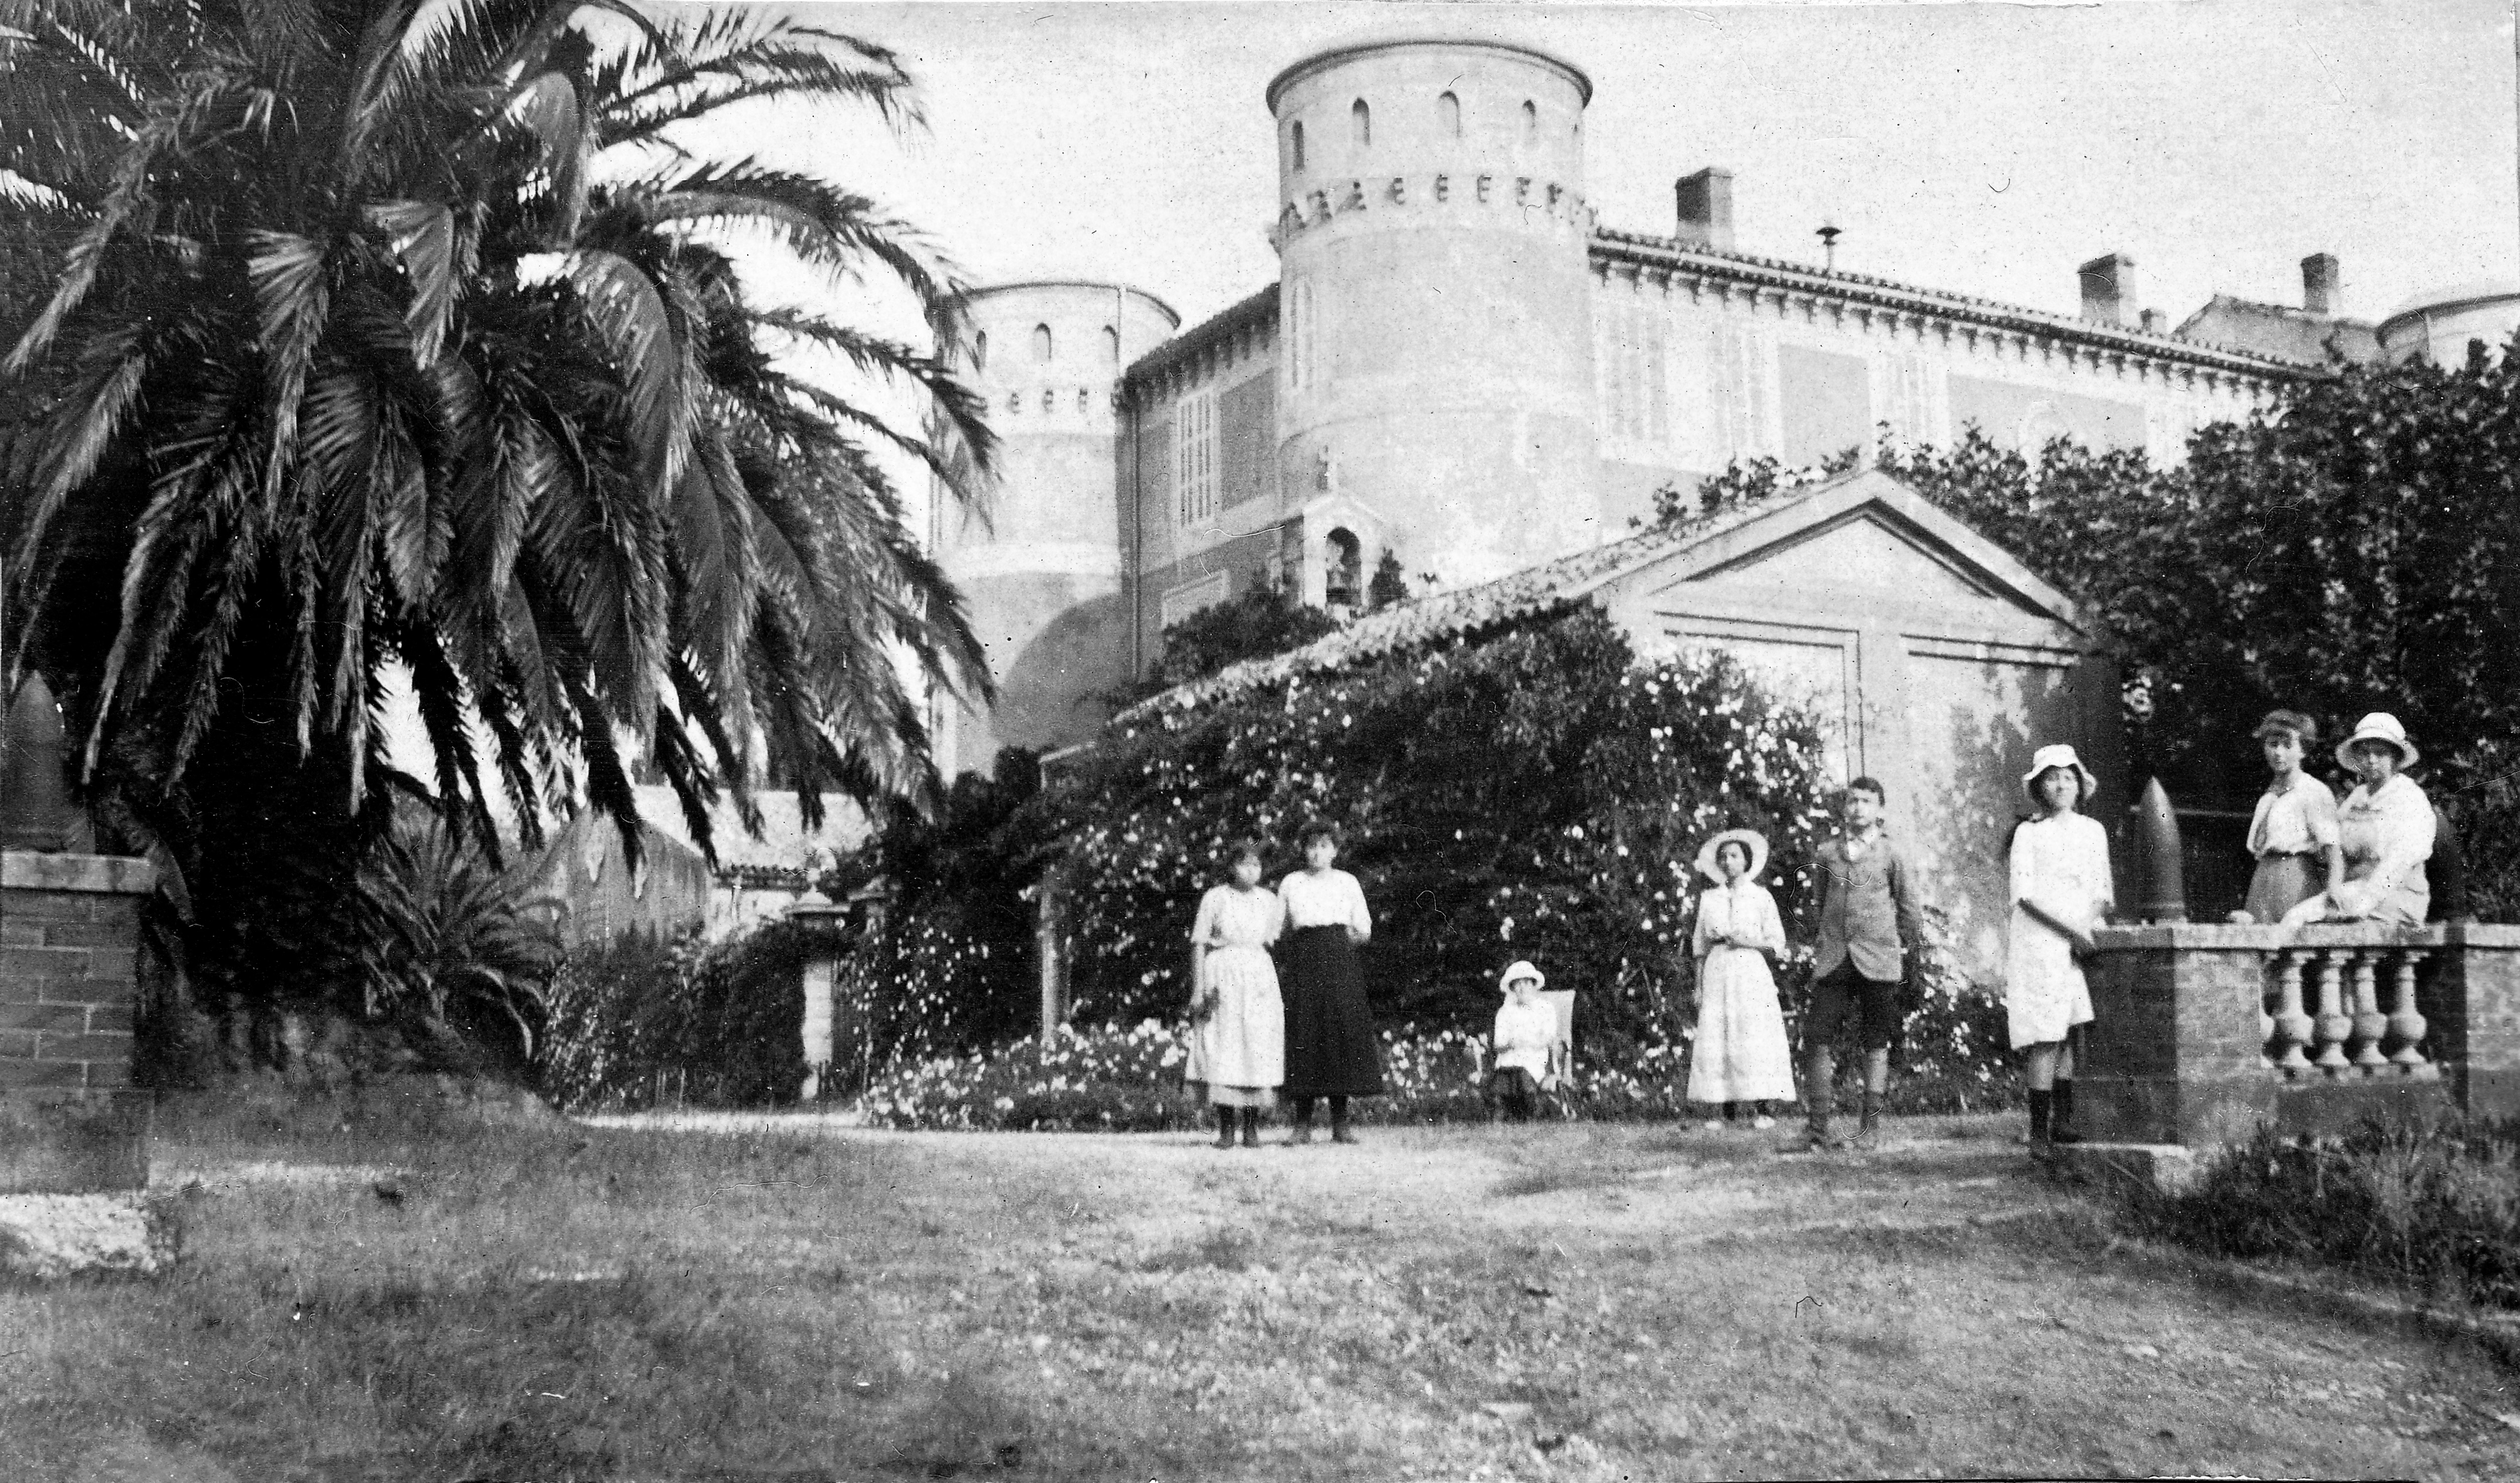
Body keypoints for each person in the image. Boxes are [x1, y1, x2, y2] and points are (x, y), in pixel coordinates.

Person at [1804, 778, 1925, 1152]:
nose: (1859, 807)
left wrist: (1911, 953)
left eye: (1867, 801)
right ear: (1844, 808)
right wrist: (1823, 942)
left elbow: (1909, 907)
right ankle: (1818, 1129)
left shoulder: (1892, 854)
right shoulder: (1827, 852)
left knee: (1876, 1040)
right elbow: (1818, 902)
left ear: (1880, 810)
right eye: (1853, 800)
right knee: (1816, 1036)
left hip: (1879, 959)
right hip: (1835, 959)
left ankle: (1870, 1128)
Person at [2007, 744, 2114, 1149]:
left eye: (2068, 778)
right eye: (2052, 779)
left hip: (2078, 942)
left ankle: (2062, 1122)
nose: (2061, 785)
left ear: (2080, 786)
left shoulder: (2093, 831)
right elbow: (2025, 896)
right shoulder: (2029, 833)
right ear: (2039, 787)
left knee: (2069, 1029)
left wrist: (2083, 931)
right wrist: (2070, 932)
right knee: (2046, 1034)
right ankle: (2038, 1131)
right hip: (2040, 941)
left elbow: (2103, 891)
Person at [1276, 821, 1383, 1144]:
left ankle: (1340, 1122)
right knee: (1305, 1033)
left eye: (1323, 846)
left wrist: (1335, 944)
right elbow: (1278, 927)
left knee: (1340, 1033)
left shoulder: (1347, 882)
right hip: (1304, 961)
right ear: (1303, 850)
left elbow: (1363, 930)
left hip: (1339, 961)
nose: (1316, 853)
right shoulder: (1292, 882)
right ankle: (1302, 1124)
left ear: (1334, 851)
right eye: (1311, 846)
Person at [1684, 828, 1795, 1131]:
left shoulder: (1761, 897)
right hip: (1718, 970)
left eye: (1734, 856)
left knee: (1753, 1034)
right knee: (1718, 1034)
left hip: (1750, 971)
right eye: (1723, 857)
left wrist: (1749, 941)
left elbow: (1777, 943)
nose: (1728, 861)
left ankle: (1763, 1108)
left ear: (1747, 861)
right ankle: (1723, 1109)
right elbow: (1699, 947)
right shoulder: (1710, 898)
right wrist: (1698, 986)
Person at [2283, 713, 2436, 927]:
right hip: (2355, 889)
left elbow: (2398, 862)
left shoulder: (2409, 797)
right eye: (2365, 753)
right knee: (2295, 918)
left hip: (2396, 895)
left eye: (2380, 754)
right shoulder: (2358, 797)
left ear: (2396, 758)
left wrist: (2362, 904)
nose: (2372, 760)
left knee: (2299, 920)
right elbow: (2333, 843)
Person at [1188, 839, 1286, 1149]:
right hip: (1223, 976)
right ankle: (1227, 1127)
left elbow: (1279, 939)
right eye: (1244, 864)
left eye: (1256, 865)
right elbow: (1199, 943)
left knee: (1256, 1045)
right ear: (1231, 867)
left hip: (1258, 978)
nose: (1251, 871)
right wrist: (1198, 989)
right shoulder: (1215, 898)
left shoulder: (1269, 900)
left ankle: (1252, 1128)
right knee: (1224, 1045)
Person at [2234, 710, 2341, 925]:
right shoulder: (2267, 798)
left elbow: (2333, 847)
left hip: (2296, 878)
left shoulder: (2313, 791)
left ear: (2303, 750)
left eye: (2288, 746)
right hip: (2263, 880)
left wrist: (2334, 890)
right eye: (2273, 745)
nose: (2279, 753)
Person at [1488, 960, 1556, 1123]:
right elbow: (1498, 1044)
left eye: (1526, 983)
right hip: (1509, 1058)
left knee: (1523, 1072)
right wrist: (1511, 1043)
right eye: (1517, 984)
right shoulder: (1505, 1012)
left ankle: (1528, 1112)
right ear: (1512, 988)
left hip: (1535, 1057)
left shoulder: (1545, 1009)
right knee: (1507, 1071)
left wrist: (1527, 1041)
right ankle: (1504, 1114)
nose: (1522, 988)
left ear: (1533, 985)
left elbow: (1548, 1038)